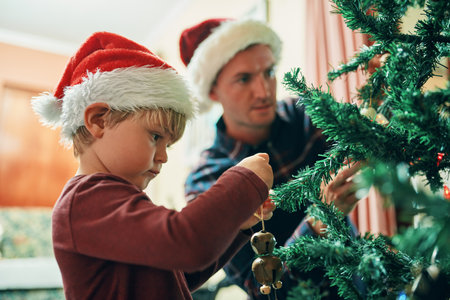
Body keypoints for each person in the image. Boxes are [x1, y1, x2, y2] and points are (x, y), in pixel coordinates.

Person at [31, 31, 276, 300]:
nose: (163, 157)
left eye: (167, 145)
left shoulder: (116, 196)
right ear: (99, 120)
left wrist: (240, 225)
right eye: (155, 136)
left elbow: (177, 270)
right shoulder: (86, 200)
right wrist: (244, 180)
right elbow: (186, 242)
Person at [179, 18, 363, 299]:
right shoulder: (207, 180)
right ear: (213, 91)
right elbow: (260, 289)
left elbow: (363, 139)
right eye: (244, 79)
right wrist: (318, 222)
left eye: (269, 72)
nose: (264, 91)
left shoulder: (305, 116)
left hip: (364, 283)